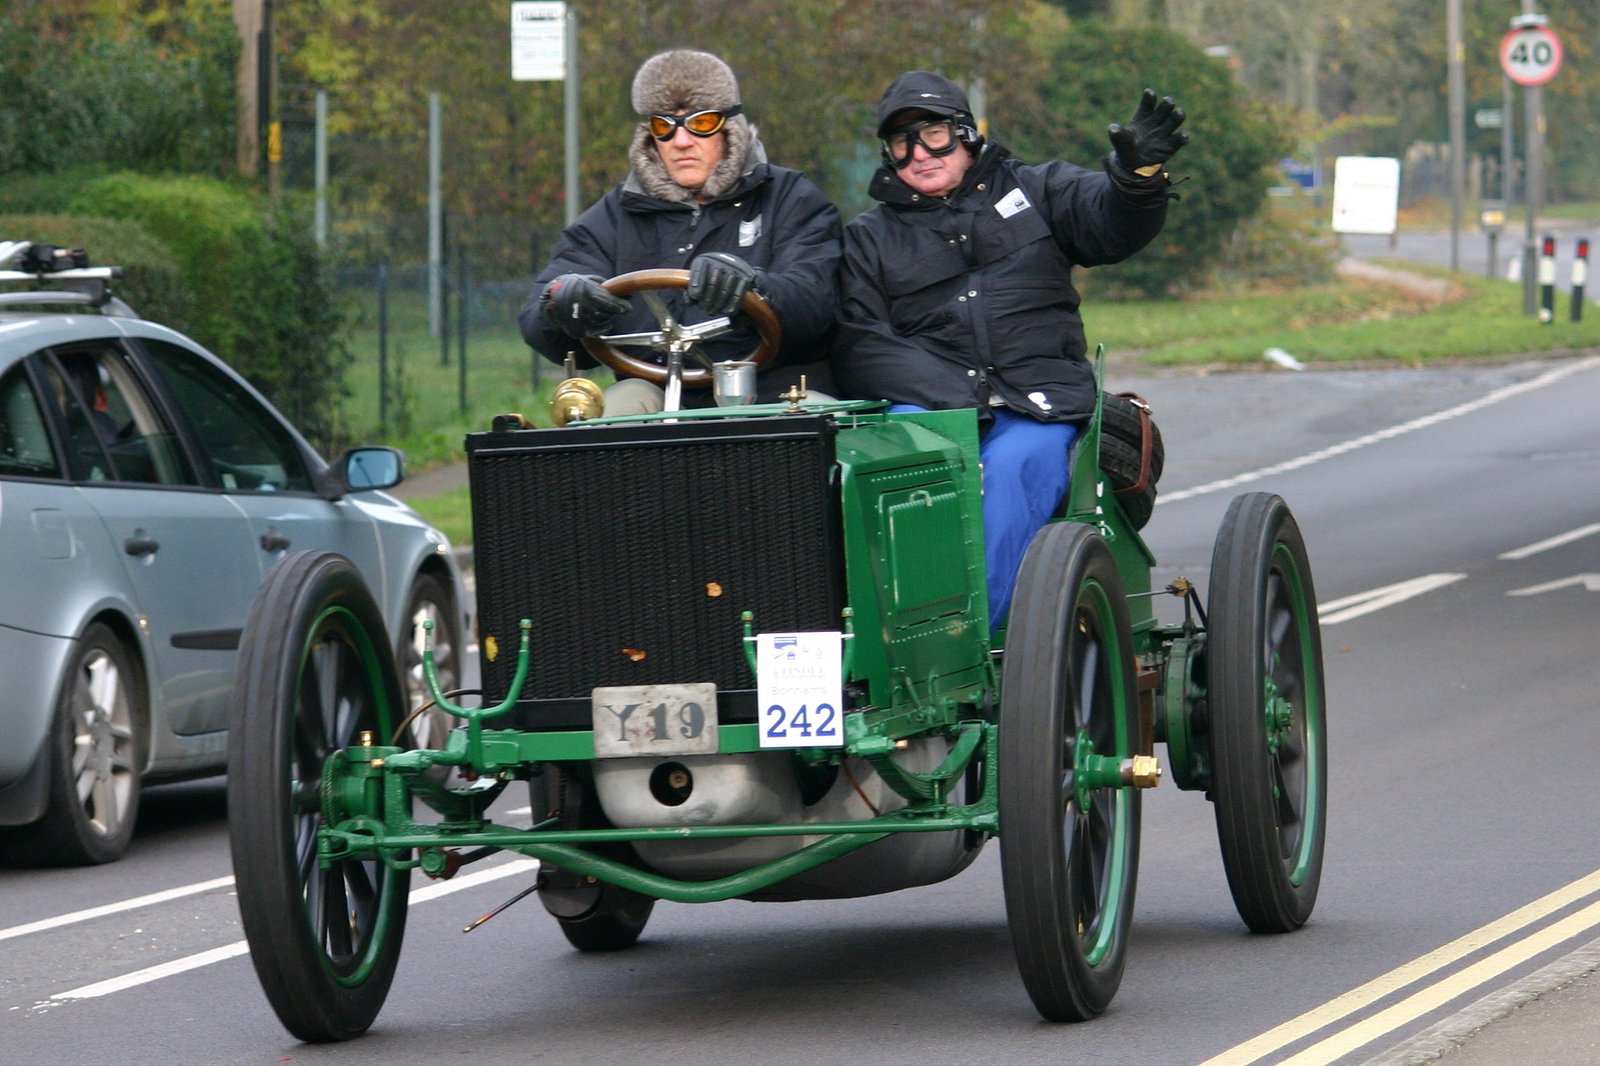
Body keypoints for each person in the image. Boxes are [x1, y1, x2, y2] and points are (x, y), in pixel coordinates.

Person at [832, 71, 1188, 629]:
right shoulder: (868, 237)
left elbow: (1110, 223)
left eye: (933, 135)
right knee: (879, 473)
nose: (919, 154)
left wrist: (1136, 177)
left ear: (966, 134)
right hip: (928, 409)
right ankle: (881, 644)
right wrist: (955, 401)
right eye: (901, 144)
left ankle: (983, 647)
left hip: (1038, 403)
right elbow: (860, 342)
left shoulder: (1040, 190)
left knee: (1013, 466)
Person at [519, 49, 841, 413]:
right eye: (664, 127)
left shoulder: (789, 198)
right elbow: (540, 313)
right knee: (603, 421)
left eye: (701, 124)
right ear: (650, 137)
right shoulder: (612, 217)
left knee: (816, 420)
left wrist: (756, 288)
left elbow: (819, 302)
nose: (682, 141)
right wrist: (562, 303)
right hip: (651, 387)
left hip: (774, 386)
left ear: (730, 129)